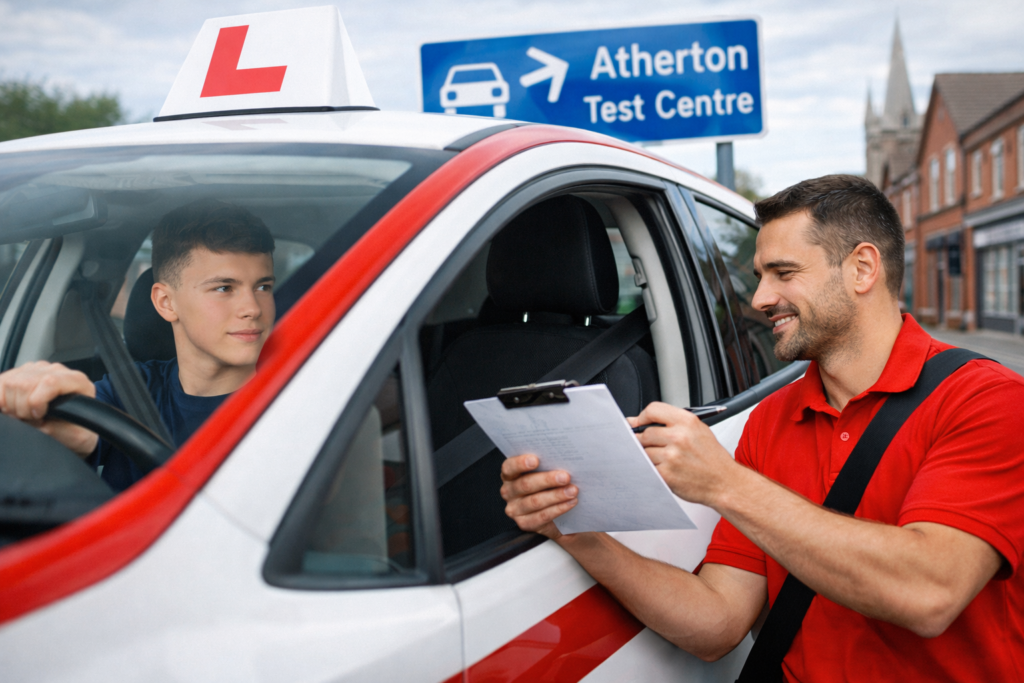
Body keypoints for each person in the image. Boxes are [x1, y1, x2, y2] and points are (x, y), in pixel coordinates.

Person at [500, 175, 1024, 681]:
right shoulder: (773, 418)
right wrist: (576, 532)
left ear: (863, 268)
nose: (760, 299)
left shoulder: (986, 400)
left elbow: (930, 594)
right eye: (760, 277)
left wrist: (724, 484)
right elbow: (718, 622)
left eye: (784, 273)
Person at [0, 199, 275, 491]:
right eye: (224, 288)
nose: (253, 308)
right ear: (166, 303)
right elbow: (79, 433)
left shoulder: (298, 397)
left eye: (263, 287)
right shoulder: (132, 389)